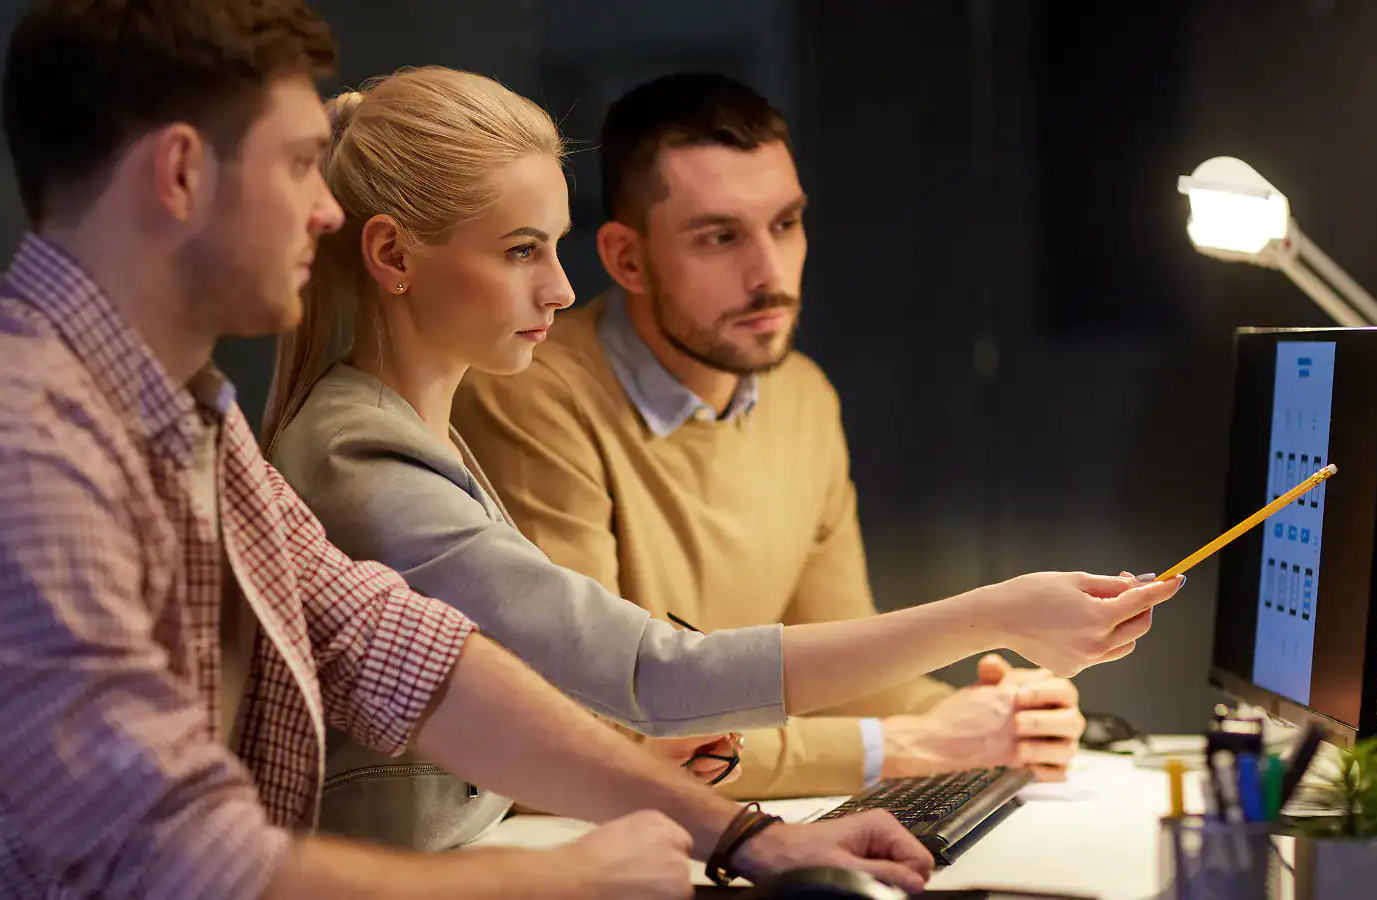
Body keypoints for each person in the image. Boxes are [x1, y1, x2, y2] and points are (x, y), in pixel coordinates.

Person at [0, 5, 950, 896]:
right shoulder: (7, 438)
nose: (326, 208)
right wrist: (562, 881)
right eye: (296, 166)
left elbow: (396, 652)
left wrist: (745, 837)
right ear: (182, 173)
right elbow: (172, 859)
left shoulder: (187, 413)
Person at [261, 57, 1182, 852]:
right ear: (392, 255)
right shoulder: (369, 453)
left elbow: (521, 721)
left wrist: (966, 717)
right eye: (519, 251)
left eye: (786, 225)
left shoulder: (417, 430)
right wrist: (992, 619)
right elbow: (647, 677)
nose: (557, 284)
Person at [452, 72, 1139, 800]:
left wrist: (995, 716)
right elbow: (591, 730)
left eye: (785, 224)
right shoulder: (529, 396)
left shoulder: (801, 396)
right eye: (720, 237)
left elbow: (847, 674)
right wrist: (905, 745)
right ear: (627, 259)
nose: (769, 274)